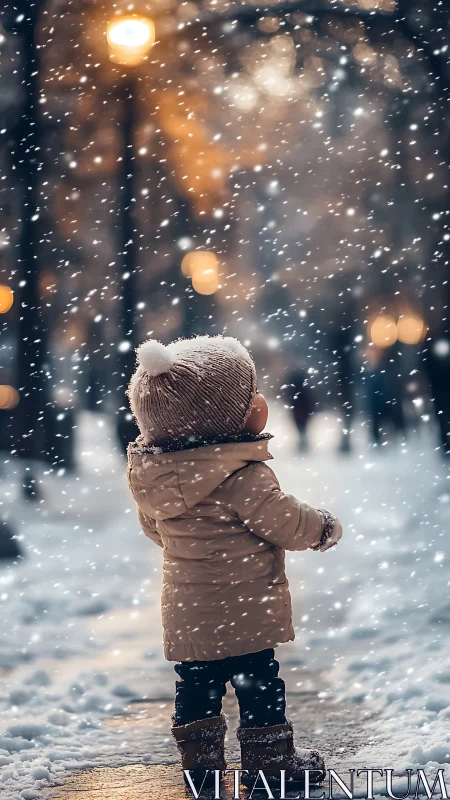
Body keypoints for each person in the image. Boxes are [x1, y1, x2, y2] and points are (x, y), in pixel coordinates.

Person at [126, 335, 343, 788]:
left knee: (196, 686)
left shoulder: (156, 480)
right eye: (251, 396)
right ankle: (270, 763)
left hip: (188, 612)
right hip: (244, 610)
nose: (260, 402)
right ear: (229, 418)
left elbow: (155, 531)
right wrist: (321, 526)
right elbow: (283, 522)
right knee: (258, 683)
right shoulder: (244, 475)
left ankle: (201, 765)